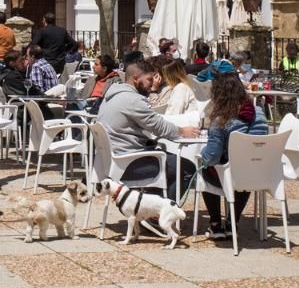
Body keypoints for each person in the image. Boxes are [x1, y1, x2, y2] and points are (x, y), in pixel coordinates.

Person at [96, 58, 200, 200]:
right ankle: (156, 214)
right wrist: (183, 131)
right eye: (149, 79)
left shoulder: (111, 96)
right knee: (187, 168)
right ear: (136, 78)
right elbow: (159, 127)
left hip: (110, 162)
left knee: (168, 159)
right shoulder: (132, 100)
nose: (152, 85)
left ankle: (146, 207)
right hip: (128, 163)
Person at [197, 70, 268, 239]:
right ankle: (232, 222)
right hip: (255, 174)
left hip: (230, 175)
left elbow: (212, 157)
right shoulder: (260, 113)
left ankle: (215, 224)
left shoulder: (220, 120)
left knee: (205, 167)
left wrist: (201, 155)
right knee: (245, 165)